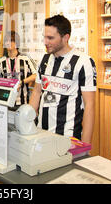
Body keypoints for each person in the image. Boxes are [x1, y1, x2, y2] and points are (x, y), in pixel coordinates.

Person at [29, 15, 96, 144]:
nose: (45, 42)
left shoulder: (83, 62)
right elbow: (37, 92)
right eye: (44, 37)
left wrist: (85, 146)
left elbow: (90, 105)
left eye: (50, 38)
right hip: (40, 135)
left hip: (68, 140)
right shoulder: (44, 60)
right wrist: (28, 125)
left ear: (65, 38)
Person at [0, 31, 37, 105]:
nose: (8, 43)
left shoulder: (25, 59)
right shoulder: (0, 62)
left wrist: (22, 82)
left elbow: (35, 75)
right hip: (5, 101)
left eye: (11, 40)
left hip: (22, 101)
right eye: (6, 41)